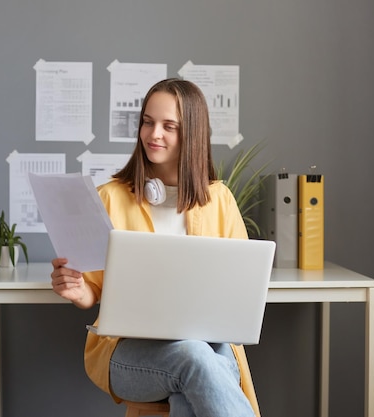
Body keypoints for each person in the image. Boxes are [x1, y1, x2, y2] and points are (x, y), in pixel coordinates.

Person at [50, 78, 261, 417]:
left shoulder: (219, 199)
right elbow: (92, 289)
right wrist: (77, 291)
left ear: (191, 134)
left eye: (169, 126)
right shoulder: (111, 196)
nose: (153, 134)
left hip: (209, 348)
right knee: (195, 359)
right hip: (127, 354)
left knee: (193, 377)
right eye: (148, 122)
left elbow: (240, 295)